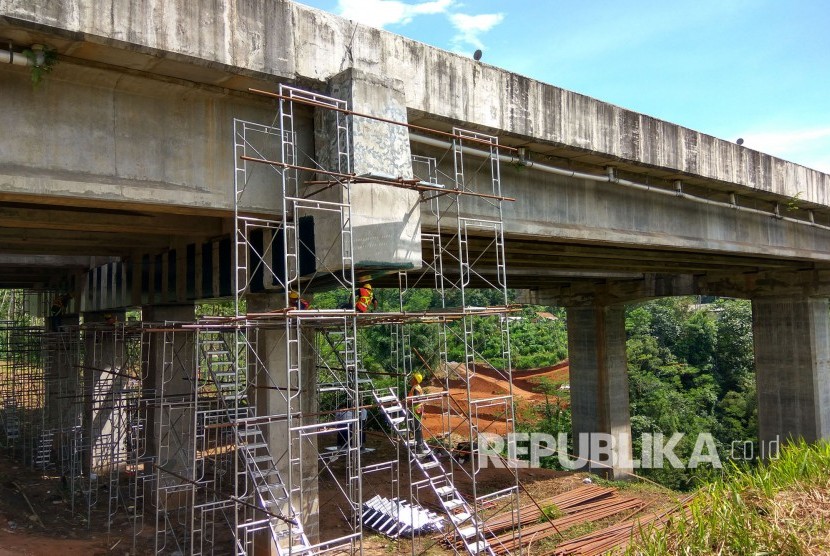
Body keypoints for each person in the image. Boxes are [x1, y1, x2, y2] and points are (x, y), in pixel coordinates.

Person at [407, 372, 427, 453]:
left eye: (412, 378)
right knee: (415, 427)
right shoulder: (416, 387)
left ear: (415, 380)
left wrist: (407, 402)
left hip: (416, 410)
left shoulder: (416, 388)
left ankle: (420, 448)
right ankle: (420, 445)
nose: (411, 379)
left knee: (417, 428)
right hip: (416, 409)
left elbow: (416, 400)